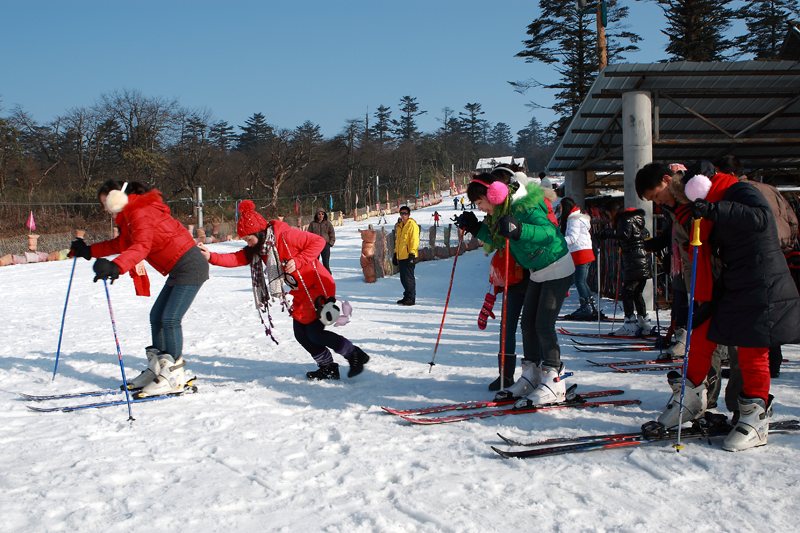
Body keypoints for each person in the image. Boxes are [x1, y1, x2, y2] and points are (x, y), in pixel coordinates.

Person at [200, 200, 369, 380]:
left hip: (317, 287)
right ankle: (328, 366)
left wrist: (298, 260)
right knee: (301, 334)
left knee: (314, 333)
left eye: (249, 239)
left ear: (259, 232)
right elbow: (238, 258)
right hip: (300, 292)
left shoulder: (285, 236)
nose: (248, 244)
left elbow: (318, 241)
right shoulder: (261, 248)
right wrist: (211, 256)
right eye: (245, 240)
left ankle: (354, 354)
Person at [69, 180, 209, 397]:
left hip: (189, 266)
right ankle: (157, 369)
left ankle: (173, 375)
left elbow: (141, 246)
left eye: (107, 202)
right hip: (179, 268)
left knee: (170, 318)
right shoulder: (131, 215)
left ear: (118, 197)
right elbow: (122, 244)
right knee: (157, 316)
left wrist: (116, 266)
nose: (107, 208)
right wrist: (89, 251)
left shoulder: (141, 212)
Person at [456, 173, 574, 407]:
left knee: (543, 324)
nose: (481, 209)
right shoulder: (501, 212)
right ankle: (531, 375)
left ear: (492, 195)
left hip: (556, 266)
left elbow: (549, 232)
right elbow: (500, 240)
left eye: (480, 203)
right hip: (537, 271)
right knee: (527, 323)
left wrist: (520, 230)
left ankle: (554, 379)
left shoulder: (522, 207)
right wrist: (476, 227)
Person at [598, 202, 652, 336]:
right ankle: (644, 323)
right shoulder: (639, 220)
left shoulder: (625, 218)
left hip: (633, 261)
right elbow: (640, 235)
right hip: (642, 260)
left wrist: (607, 233)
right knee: (637, 292)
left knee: (627, 292)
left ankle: (630, 325)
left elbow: (624, 234)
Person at [558, 197, 597, 320]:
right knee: (582, 281)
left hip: (580, 253)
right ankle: (590, 306)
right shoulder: (579, 217)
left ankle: (586, 307)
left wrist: (558, 241)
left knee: (580, 281)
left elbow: (573, 237)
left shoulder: (573, 219)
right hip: (583, 252)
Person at [392, 205, 419, 305]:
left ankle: (411, 298)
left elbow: (414, 240)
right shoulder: (399, 226)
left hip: (409, 256)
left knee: (408, 278)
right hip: (401, 256)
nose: (403, 215)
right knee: (403, 278)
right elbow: (398, 241)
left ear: (409, 214)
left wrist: (412, 253)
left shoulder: (412, 225)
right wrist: (395, 253)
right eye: (401, 213)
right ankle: (406, 296)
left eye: (405, 214)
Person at [307, 208, 336, 273]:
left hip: (325, 245)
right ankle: (315, 278)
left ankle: (328, 278)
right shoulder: (312, 224)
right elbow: (309, 235)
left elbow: (332, 233)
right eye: (319, 214)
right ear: (316, 215)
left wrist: (330, 243)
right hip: (315, 246)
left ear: (324, 215)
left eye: (322, 214)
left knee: (326, 263)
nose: (321, 215)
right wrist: (310, 244)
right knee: (315, 263)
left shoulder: (328, 223)